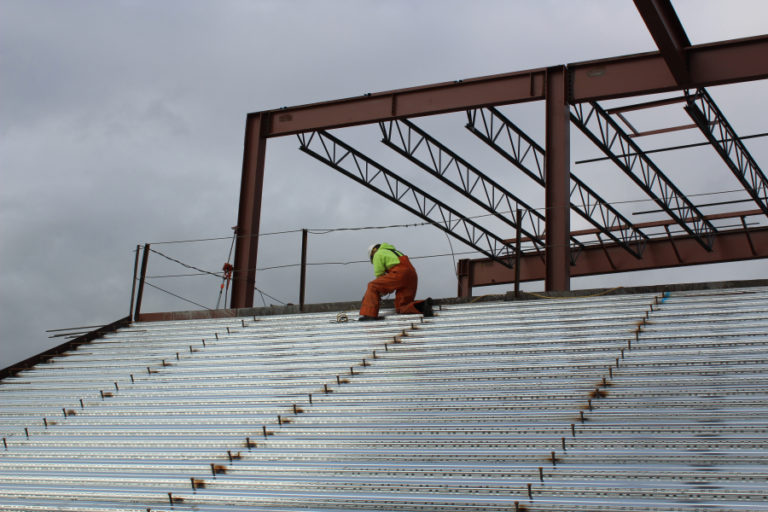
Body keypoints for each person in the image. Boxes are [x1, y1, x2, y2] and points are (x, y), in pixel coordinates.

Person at [359, 243, 433, 321]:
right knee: (401, 307)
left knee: (372, 286)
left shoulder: (378, 254)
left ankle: (369, 315)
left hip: (400, 273)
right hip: (412, 275)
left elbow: (379, 275)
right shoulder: (394, 252)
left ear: (373, 252)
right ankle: (423, 306)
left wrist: (381, 292)